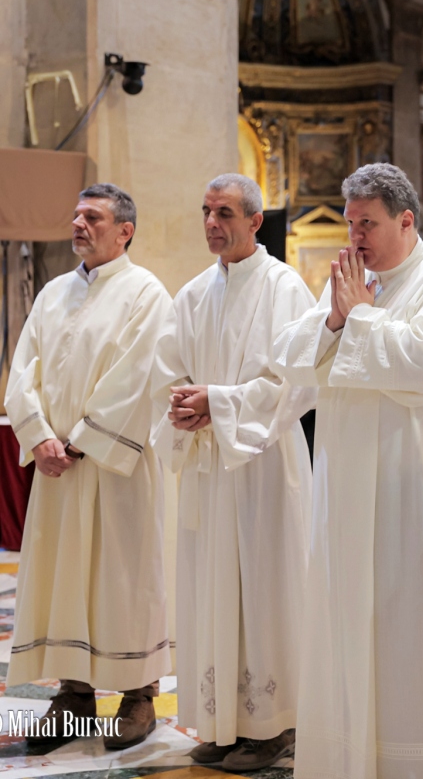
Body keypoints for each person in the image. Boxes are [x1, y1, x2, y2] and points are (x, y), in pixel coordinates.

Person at [273, 163, 423, 779]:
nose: (355, 236)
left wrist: (360, 318)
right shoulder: (348, 283)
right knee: (348, 622)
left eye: (366, 223)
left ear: (404, 219)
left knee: (412, 631)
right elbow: (289, 354)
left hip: (416, 494)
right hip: (346, 491)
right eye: (349, 223)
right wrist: (339, 318)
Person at [150, 174, 316, 770]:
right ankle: (224, 723)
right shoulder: (193, 294)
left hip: (263, 467)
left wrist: (214, 405)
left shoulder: (285, 289)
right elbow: (166, 373)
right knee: (212, 587)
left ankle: (275, 727)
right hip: (210, 468)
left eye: (224, 212)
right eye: (205, 211)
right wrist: (180, 408)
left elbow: (297, 380)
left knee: (266, 588)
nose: (212, 223)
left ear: (255, 219)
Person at [4, 184, 173, 750]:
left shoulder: (145, 292)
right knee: (63, 577)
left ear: (124, 230)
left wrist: (77, 442)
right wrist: (39, 436)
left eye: (92, 217)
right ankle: (74, 695)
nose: (79, 224)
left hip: (111, 466)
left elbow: (138, 374)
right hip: (58, 469)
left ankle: (138, 695)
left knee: (122, 577)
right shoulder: (52, 292)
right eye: (76, 215)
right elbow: (22, 367)